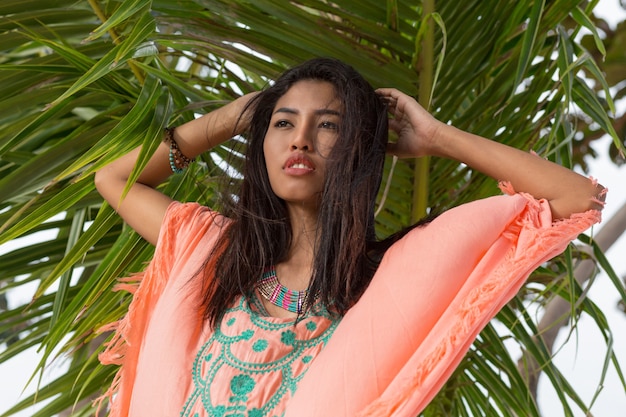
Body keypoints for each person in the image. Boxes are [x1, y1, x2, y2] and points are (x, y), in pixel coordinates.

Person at [94, 57, 605, 416]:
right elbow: (114, 179)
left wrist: (438, 138)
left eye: (328, 125)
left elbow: (578, 198)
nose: (300, 138)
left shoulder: (394, 277)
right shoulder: (213, 254)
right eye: (282, 123)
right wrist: (230, 120)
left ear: (359, 149)